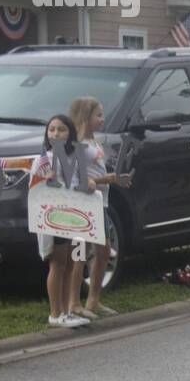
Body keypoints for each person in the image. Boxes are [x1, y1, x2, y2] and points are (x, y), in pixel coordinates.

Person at [66, 97, 133, 318]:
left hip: (100, 204)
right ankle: (73, 302)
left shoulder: (94, 143)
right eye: (99, 115)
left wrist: (114, 179)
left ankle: (93, 299)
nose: (102, 119)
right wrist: (106, 179)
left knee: (103, 251)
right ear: (86, 117)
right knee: (80, 252)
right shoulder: (78, 146)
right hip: (86, 205)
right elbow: (81, 180)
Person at [32, 115, 92, 328]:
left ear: (70, 134)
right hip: (55, 217)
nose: (56, 134)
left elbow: (80, 182)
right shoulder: (43, 159)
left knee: (69, 263)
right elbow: (34, 189)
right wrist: (45, 181)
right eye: (52, 130)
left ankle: (67, 310)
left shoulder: (76, 157)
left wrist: (89, 186)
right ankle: (55, 313)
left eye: (61, 130)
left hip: (75, 216)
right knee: (57, 264)